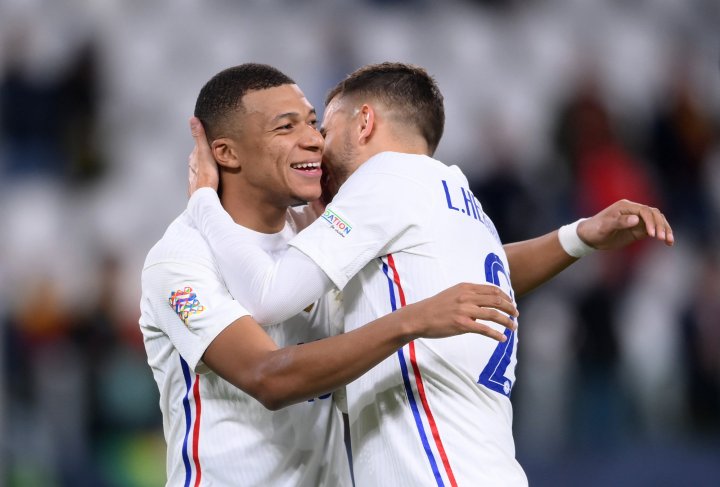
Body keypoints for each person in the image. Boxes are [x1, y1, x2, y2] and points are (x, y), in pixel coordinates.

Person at [187, 62, 674, 486]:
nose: (316, 145)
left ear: (364, 123)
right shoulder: (459, 198)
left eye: (326, 128)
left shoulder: (382, 180)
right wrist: (577, 236)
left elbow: (267, 297)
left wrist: (204, 200)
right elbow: (496, 276)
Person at [139, 63, 520, 487]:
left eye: (314, 123)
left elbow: (459, 274)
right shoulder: (181, 260)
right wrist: (412, 320)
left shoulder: (320, 240)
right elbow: (268, 377)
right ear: (226, 153)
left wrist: (577, 238)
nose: (313, 141)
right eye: (286, 128)